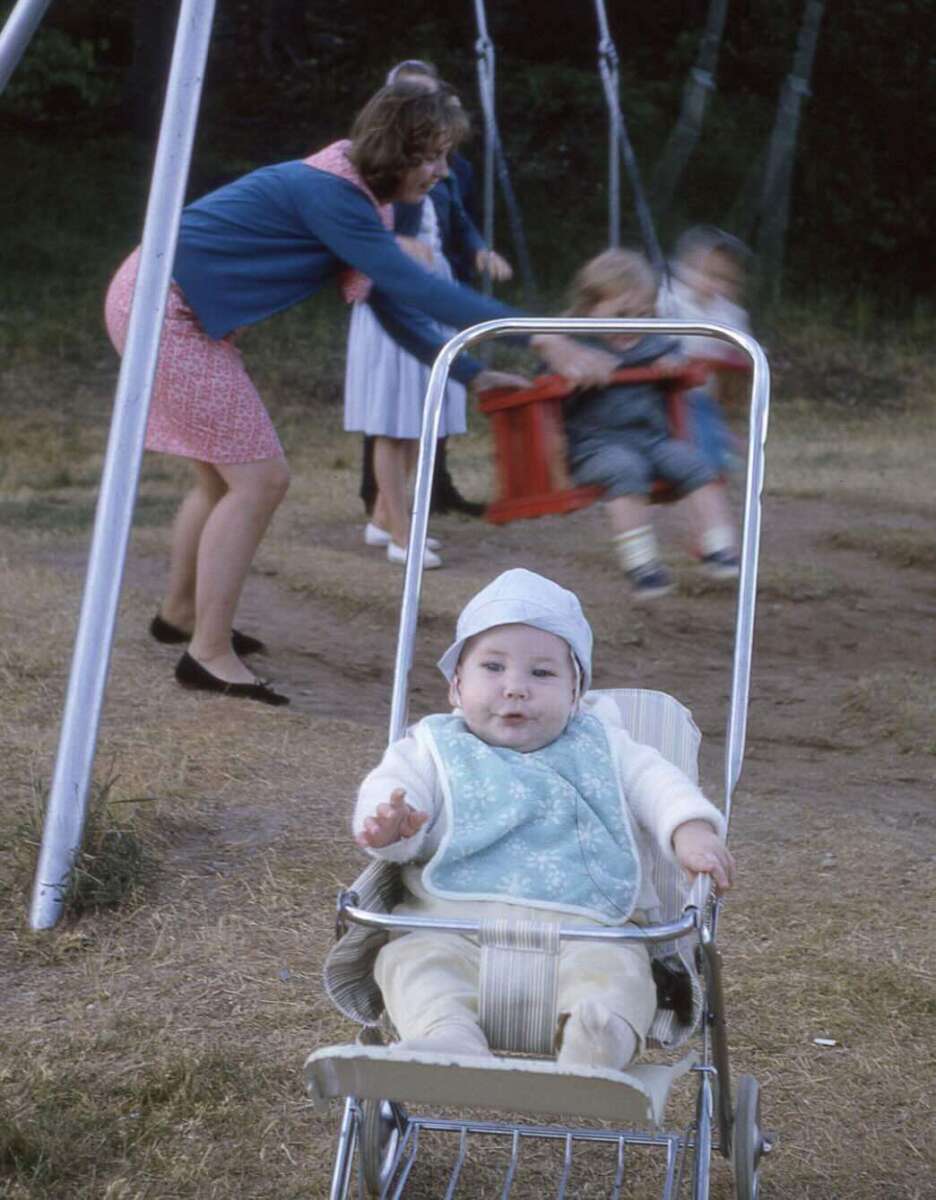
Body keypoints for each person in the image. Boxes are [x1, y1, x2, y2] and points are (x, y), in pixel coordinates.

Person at [105, 82, 609, 705]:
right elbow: (413, 284)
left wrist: (472, 373)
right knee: (260, 481)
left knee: (219, 482)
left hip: (159, 301)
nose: (442, 171)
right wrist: (537, 337)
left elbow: (390, 301)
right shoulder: (333, 193)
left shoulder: (360, 198)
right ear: (396, 148)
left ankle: (182, 614)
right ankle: (207, 653)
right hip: (164, 310)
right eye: (432, 155)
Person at [353, 569, 734, 1068]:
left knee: (620, 973)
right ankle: (446, 1033)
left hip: (585, 931)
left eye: (542, 673)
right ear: (455, 687)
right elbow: (391, 788)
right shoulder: (431, 747)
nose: (515, 688)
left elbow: (657, 784)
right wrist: (391, 827)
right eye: (493, 667)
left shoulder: (603, 744)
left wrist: (690, 829)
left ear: (577, 694)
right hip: (453, 926)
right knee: (411, 961)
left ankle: (597, 1040)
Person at [346, 71, 513, 568]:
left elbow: (455, 219)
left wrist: (479, 251)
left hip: (432, 283)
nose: (440, 166)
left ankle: (382, 519)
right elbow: (354, 233)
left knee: (424, 420)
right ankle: (402, 532)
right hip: (394, 289)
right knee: (393, 424)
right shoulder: (371, 176)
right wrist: (395, 245)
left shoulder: (441, 175)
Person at [561, 249, 741, 600]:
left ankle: (719, 548)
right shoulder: (573, 343)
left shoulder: (654, 341)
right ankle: (642, 566)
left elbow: (679, 363)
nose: (632, 326)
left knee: (698, 466)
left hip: (652, 439)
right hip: (596, 445)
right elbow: (550, 388)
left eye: (643, 315)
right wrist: (573, 378)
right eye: (621, 315)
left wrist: (673, 366)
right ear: (588, 309)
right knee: (625, 471)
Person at [657, 226, 753, 475]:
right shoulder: (667, 301)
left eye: (726, 279)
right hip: (664, 390)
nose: (717, 285)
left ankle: (718, 449)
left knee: (704, 414)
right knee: (695, 424)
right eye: (708, 274)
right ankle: (714, 456)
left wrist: (744, 357)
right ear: (681, 269)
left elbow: (744, 350)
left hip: (706, 393)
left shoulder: (730, 313)